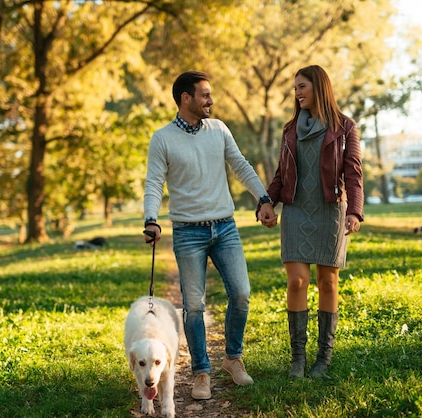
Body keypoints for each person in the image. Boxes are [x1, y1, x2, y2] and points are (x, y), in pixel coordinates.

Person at [143, 70, 277, 400]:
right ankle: (201, 372)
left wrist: (263, 198)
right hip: (188, 231)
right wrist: (151, 219)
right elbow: (153, 183)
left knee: (242, 294)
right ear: (185, 98)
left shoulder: (218, 130)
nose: (210, 100)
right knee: (193, 306)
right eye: (204, 95)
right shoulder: (162, 138)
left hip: (225, 227)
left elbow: (241, 165)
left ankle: (232, 358)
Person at [257, 65, 364, 379]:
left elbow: (354, 174)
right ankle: (298, 360)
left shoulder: (345, 127)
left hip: (330, 211)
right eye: (295, 88)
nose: (297, 93)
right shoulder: (290, 129)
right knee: (297, 281)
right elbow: (280, 174)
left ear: (320, 87)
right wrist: (266, 202)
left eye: (302, 86)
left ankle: (323, 360)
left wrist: (354, 211)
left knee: (328, 282)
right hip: (295, 211)